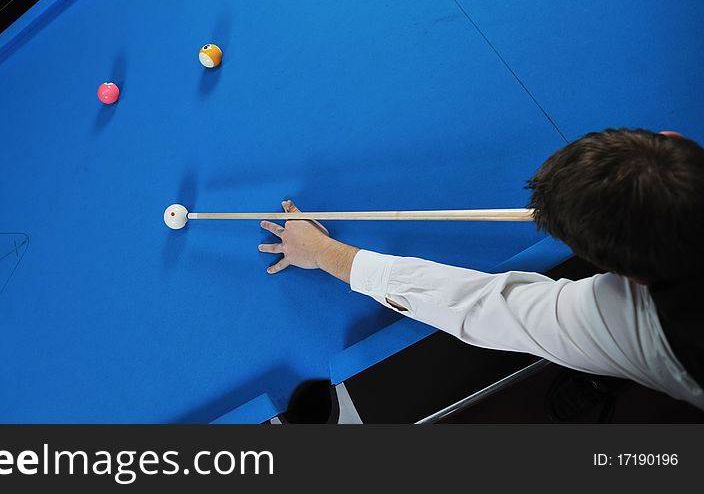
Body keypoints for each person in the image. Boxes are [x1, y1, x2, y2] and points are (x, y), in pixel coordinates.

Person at [258, 128, 704, 411]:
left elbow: (471, 305)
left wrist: (323, 252)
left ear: (636, 279)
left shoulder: (638, 328)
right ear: (676, 138)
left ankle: (602, 378)